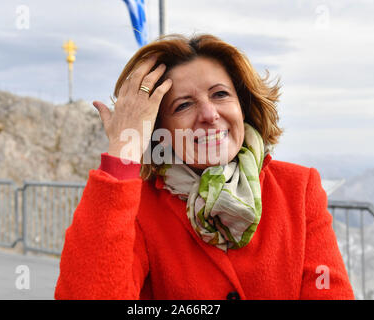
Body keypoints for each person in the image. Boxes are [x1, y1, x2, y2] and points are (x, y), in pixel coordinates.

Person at [54, 34, 354, 300]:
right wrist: (124, 149)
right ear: (159, 129)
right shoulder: (136, 209)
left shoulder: (298, 189)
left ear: (243, 106)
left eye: (220, 94)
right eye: (183, 105)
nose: (209, 114)